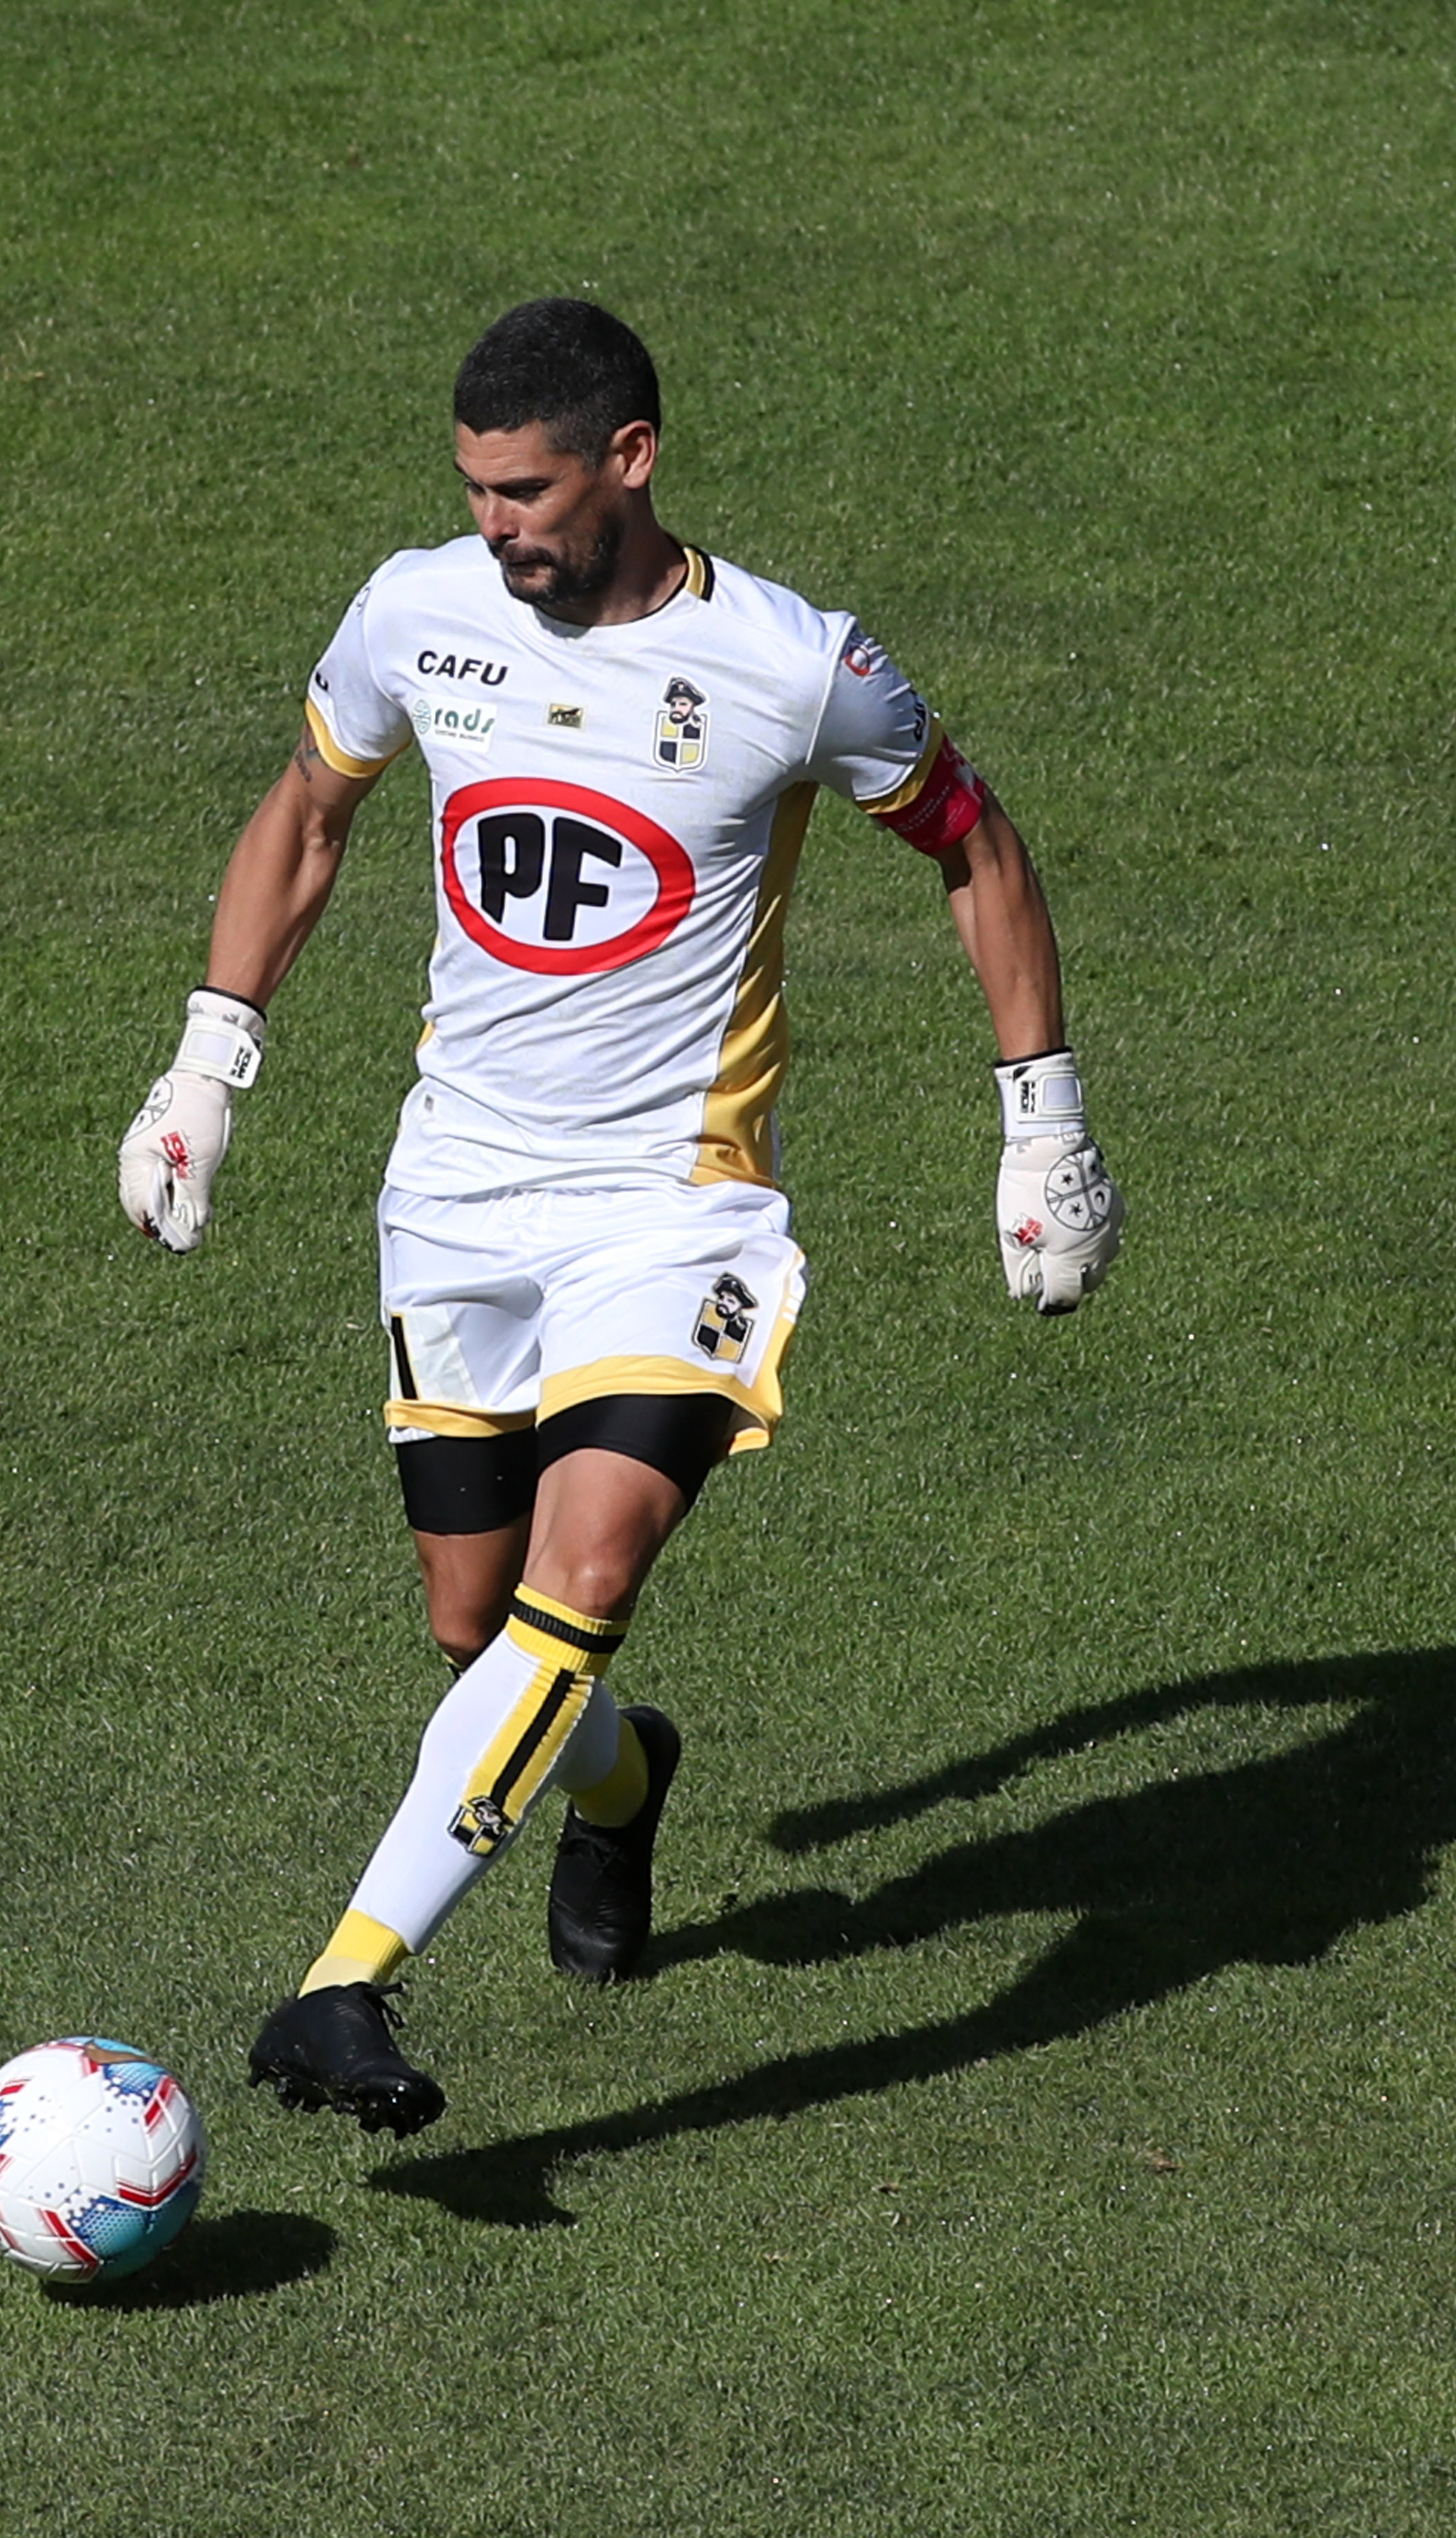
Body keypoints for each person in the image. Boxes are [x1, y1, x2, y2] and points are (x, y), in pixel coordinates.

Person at [115, 298, 1120, 2138]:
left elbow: (974, 844)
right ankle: (618, 1780)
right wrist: (208, 1064)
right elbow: (311, 812)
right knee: (477, 1634)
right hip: (454, 1203)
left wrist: (1039, 1123)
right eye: (477, 493)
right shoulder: (417, 610)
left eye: (530, 491)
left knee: (577, 1591)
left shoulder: (796, 668)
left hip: (677, 1214)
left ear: (631, 460)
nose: (499, 528)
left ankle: (345, 1981)